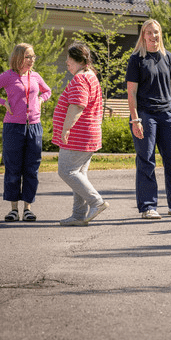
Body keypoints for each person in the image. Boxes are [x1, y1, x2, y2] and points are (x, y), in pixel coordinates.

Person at [126, 19, 171, 219]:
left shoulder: (167, 57)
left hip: (167, 115)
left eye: (156, 32)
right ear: (143, 36)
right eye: (149, 33)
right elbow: (131, 92)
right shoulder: (136, 59)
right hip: (146, 115)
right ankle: (148, 207)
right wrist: (135, 119)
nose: (153, 36)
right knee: (146, 160)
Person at [0, 43, 51, 222]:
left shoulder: (35, 76)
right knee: (13, 168)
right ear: (18, 58)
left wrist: (41, 100)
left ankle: (28, 208)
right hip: (13, 127)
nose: (32, 60)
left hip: (34, 126)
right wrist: (3, 102)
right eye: (28, 57)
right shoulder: (7, 76)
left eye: (33, 56)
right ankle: (13, 209)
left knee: (32, 168)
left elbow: (48, 91)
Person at [53, 42, 110, 226]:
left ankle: (96, 202)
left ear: (78, 60)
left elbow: (77, 105)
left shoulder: (79, 79)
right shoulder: (90, 76)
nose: (67, 62)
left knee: (66, 171)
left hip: (78, 136)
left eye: (69, 58)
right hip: (89, 135)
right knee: (79, 175)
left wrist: (66, 128)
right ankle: (79, 215)